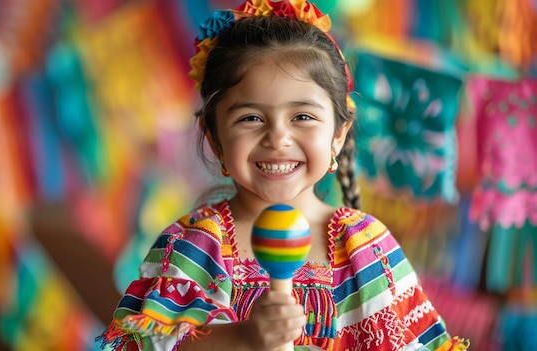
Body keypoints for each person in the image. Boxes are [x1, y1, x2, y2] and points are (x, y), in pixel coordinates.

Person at [97, 0, 470, 350]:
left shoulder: (364, 248)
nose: (277, 138)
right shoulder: (195, 246)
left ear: (338, 135)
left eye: (303, 117)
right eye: (250, 118)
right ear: (214, 137)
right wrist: (243, 336)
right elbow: (144, 344)